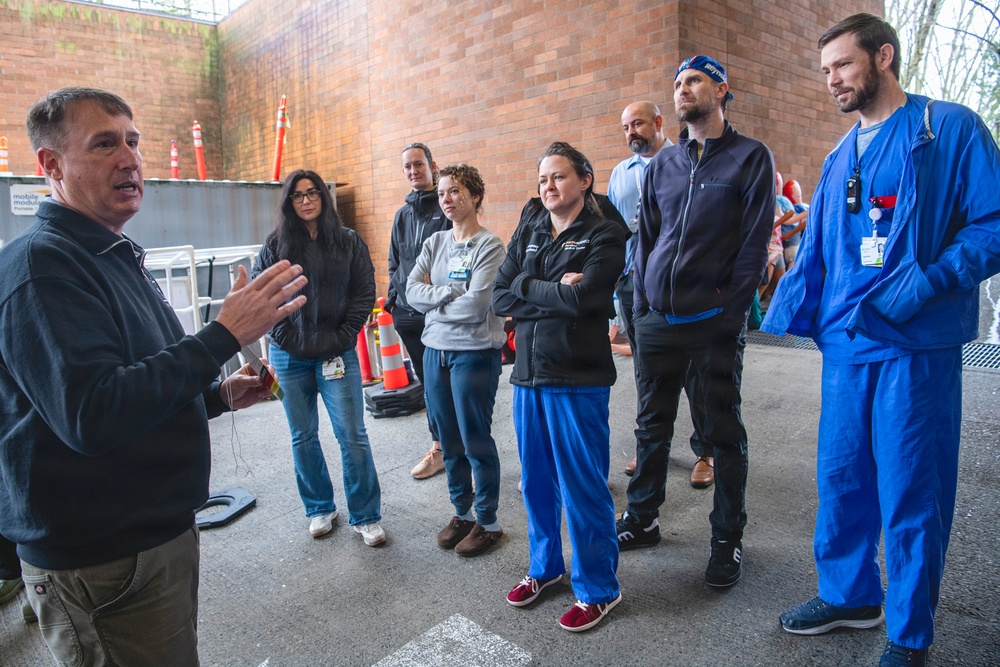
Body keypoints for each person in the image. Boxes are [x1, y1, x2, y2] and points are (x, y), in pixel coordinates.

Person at [0, 87, 307, 666]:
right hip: (102, 561)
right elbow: (91, 414)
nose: (129, 158)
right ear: (51, 165)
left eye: (133, 141)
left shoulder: (107, 251)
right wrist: (221, 336)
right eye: (104, 144)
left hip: (147, 539)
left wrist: (213, 397)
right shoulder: (44, 268)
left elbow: (130, 380)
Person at [763, 14, 1000, 667]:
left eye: (841, 64)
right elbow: (823, 247)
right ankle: (849, 595)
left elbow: (993, 222)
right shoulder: (843, 151)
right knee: (842, 480)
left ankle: (910, 632)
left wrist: (929, 281)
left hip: (913, 347)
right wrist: (797, 308)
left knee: (911, 490)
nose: (831, 80)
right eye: (825, 70)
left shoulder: (946, 128)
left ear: (883, 56)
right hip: (848, 347)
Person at [615, 56, 774, 590]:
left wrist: (731, 315)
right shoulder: (665, 164)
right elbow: (648, 240)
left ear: (721, 89)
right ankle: (643, 519)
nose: (683, 90)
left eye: (694, 82)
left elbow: (754, 245)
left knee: (723, 434)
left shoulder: (751, 158)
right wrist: (640, 306)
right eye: (678, 82)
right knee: (650, 427)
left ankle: (727, 537)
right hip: (657, 318)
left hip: (713, 323)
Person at [493, 142, 626, 633]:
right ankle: (545, 567)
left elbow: (587, 298)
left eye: (560, 177)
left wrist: (527, 288)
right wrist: (552, 290)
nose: (549, 187)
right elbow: (498, 294)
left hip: (577, 380)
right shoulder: (530, 228)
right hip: (527, 377)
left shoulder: (606, 234)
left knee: (582, 485)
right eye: (543, 179)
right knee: (536, 482)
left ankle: (598, 588)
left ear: (585, 180)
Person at [253, 169, 385, 546]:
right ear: (288, 203)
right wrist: (286, 338)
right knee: (302, 436)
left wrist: (343, 336)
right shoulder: (276, 244)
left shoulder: (347, 241)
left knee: (353, 435)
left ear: (324, 199)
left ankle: (366, 515)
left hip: (337, 353)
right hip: (287, 357)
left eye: (313, 193)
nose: (306, 200)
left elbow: (363, 291)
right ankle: (319, 508)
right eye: (298, 195)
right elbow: (263, 296)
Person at [608, 101, 714, 488]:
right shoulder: (619, 175)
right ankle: (652, 445)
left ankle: (707, 450)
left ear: (657, 122)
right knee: (646, 372)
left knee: (696, 373)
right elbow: (614, 237)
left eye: (637, 123)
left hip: (682, 285)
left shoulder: (687, 162)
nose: (631, 132)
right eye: (624, 127)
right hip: (633, 285)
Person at [405, 164, 506, 557]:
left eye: (455, 191)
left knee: (475, 438)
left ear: (475, 196)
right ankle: (462, 512)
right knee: (447, 439)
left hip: (474, 354)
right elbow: (411, 291)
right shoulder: (434, 243)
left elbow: (478, 305)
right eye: (443, 193)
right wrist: (447, 294)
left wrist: (435, 301)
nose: (446, 199)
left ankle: (489, 521)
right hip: (435, 352)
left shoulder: (490, 246)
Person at [388, 142, 453, 480]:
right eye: (408, 167)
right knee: (429, 385)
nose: (413, 171)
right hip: (407, 317)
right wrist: (393, 302)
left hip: (438, 316)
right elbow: (394, 262)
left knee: (451, 384)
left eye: (418, 164)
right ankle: (439, 449)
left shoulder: (446, 209)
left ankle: (464, 453)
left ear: (432, 165)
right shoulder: (402, 215)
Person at [781, 178, 809, 268]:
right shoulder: (795, 209)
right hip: (792, 244)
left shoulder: (803, 208)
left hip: (799, 241)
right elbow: (789, 221)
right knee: (794, 262)